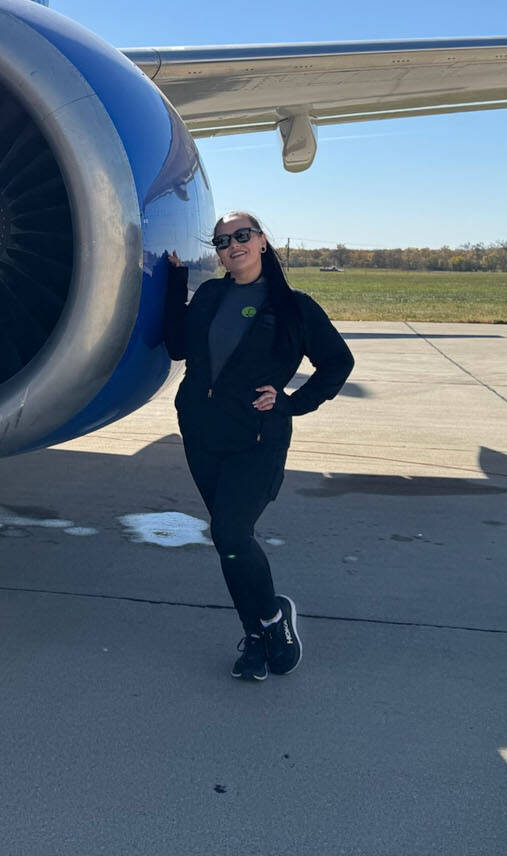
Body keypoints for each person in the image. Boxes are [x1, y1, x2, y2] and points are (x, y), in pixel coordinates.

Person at [164, 212, 354, 681]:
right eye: (223, 240)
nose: (233, 245)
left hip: (257, 440)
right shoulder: (209, 296)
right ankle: (256, 635)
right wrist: (174, 282)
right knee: (229, 543)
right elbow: (175, 347)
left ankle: (271, 619)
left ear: (263, 242)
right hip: (203, 435)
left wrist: (293, 403)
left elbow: (337, 363)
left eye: (243, 236)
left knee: (230, 533)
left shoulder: (294, 306)